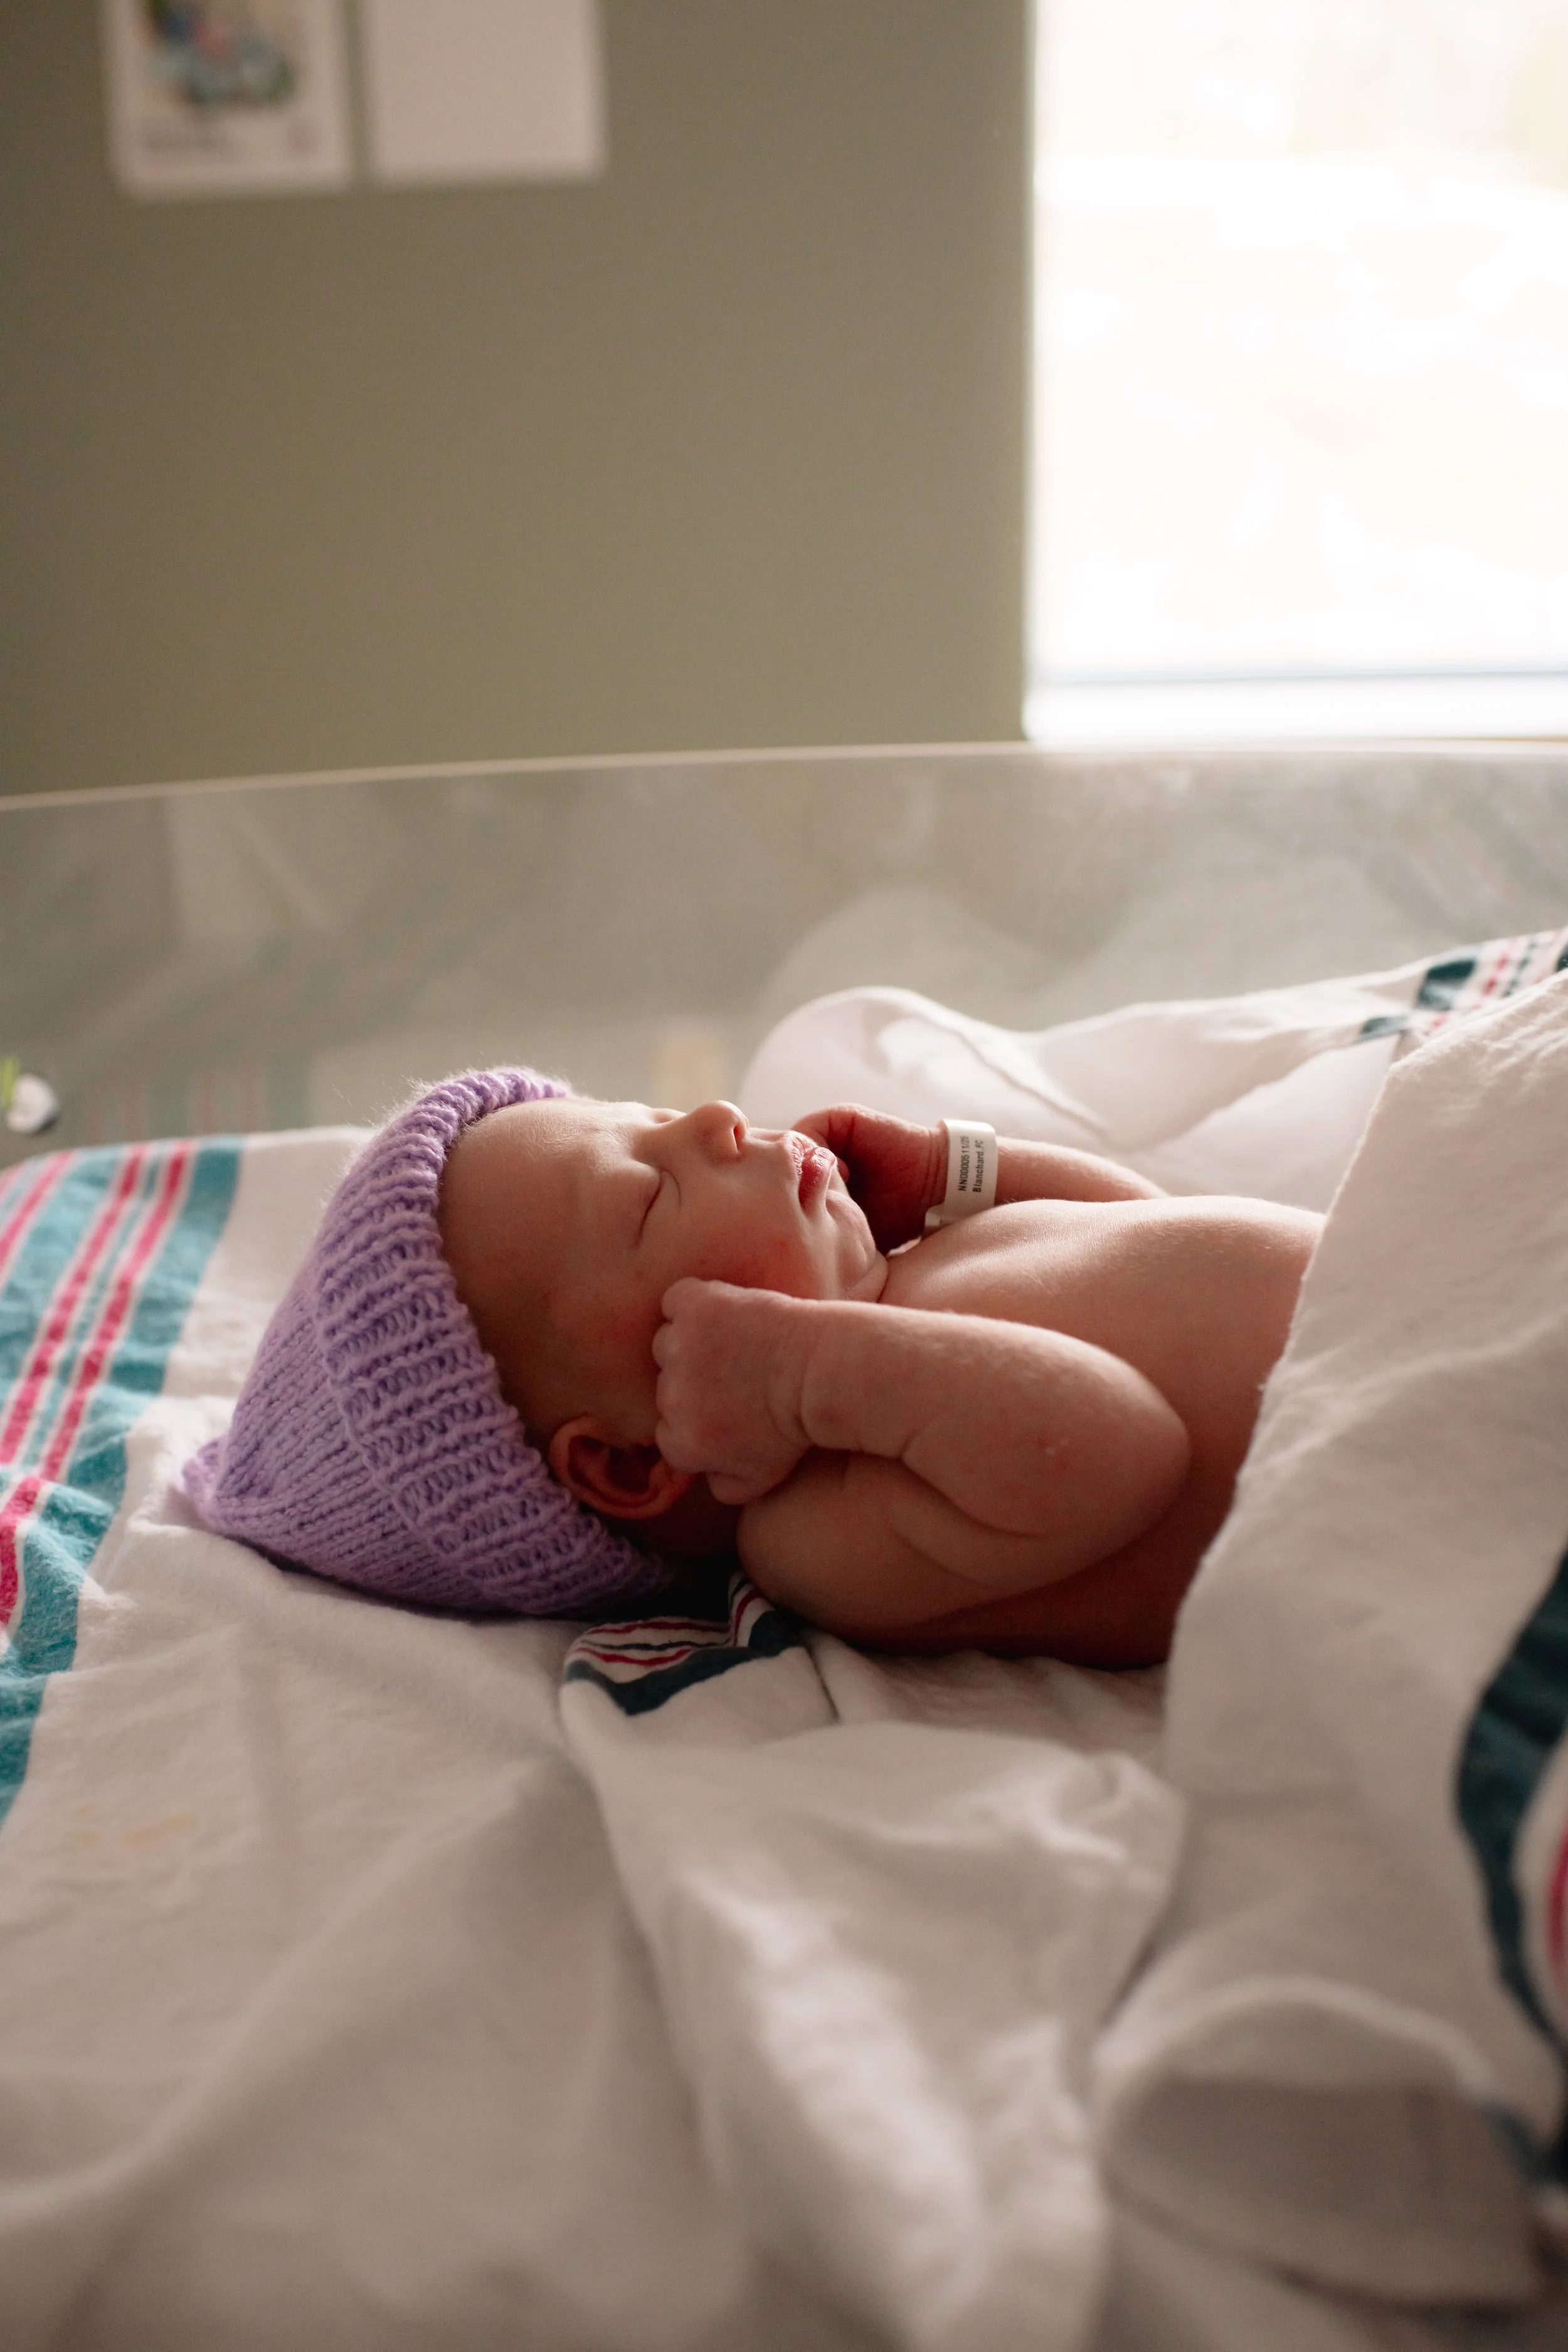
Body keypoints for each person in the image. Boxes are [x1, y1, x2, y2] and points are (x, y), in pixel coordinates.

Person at [187, 1068, 1320, 1666]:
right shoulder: (820, 1532)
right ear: (636, 1460)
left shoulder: (906, 1277)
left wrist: (958, 1171)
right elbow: (1120, 1447)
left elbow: (1159, 1224)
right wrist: (806, 1375)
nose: (719, 1119)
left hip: (1388, 1285)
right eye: (651, 1189)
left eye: (659, 1115)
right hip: (1379, 1442)